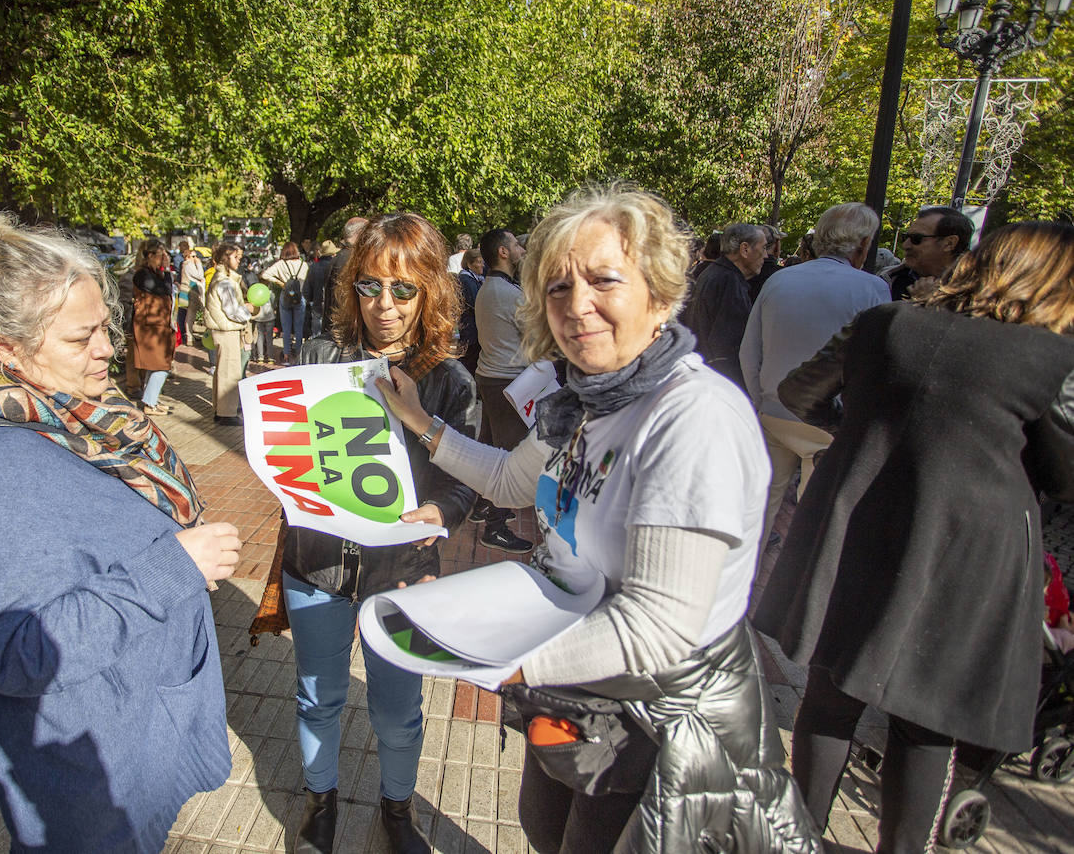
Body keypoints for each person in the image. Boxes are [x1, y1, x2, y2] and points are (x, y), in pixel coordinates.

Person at [374, 185, 819, 853]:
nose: (576, 305)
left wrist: (493, 659)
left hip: (659, 718)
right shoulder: (582, 399)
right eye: (557, 287)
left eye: (604, 280)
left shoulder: (692, 417)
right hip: (577, 682)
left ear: (661, 294)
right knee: (541, 827)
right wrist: (420, 421)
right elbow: (510, 480)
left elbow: (658, 624)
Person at [0, 209, 242, 851]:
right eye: (81, 337)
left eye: (104, 327)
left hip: (126, 735)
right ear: (5, 348)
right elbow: (16, 652)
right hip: (91, 786)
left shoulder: (59, 415)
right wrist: (174, 568)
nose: (107, 349)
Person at [754, 221, 1074, 854]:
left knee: (830, 694)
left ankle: (795, 838)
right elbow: (1065, 475)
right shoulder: (1050, 358)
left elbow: (798, 391)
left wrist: (865, 430)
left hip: (858, 521)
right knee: (926, 721)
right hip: (968, 551)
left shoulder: (884, 322)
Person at [283, 213, 480, 854]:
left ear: (430, 291)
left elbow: (466, 477)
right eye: (369, 286)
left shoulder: (448, 380)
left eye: (402, 289)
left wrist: (443, 512)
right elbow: (284, 450)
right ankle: (320, 803)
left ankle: (398, 808)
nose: (384, 305)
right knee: (319, 697)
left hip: (402, 575)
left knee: (397, 712)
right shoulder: (317, 358)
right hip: (317, 564)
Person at [738, 203, 889, 551]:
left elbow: (749, 351)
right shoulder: (872, 288)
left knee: (757, 509)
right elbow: (874, 362)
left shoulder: (779, 279)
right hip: (829, 422)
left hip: (774, 411)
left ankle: (743, 575)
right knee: (812, 521)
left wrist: (761, 400)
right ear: (863, 244)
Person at [470, 228, 534, 555]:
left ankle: (482, 505)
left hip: (492, 377)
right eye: (517, 244)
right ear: (504, 252)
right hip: (507, 381)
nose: (522, 249)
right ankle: (495, 527)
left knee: (489, 446)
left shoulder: (490, 287)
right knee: (509, 455)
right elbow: (535, 334)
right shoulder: (508, 293)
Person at [681, 221, 767, 390]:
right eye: (763, 248)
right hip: (718, 383)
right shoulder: (728, 281)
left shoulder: (716, 273)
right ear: (745, 249)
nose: (765, 255)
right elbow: (728, 347)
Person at [205, 243, 255, 425]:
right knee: (229, 371)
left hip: (224, 329)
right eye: (235, 257)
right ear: (225, 258)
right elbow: (233, 311)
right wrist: (248, 309)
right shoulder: (224, 282)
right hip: (227, 330)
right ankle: (226, 413)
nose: (238, 260)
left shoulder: (223, 279)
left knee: (224, 369)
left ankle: (222, 409)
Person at [884, 205, 973, 301]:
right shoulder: (891, 280)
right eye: (905, 237)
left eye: (916, 238)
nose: (905, 245)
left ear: (949, 243)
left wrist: (925, 302)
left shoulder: (978, 286)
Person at [133, 246, 177, 416]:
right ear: (150, 255)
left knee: (156, 365)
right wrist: (166, 271)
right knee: (161, 366)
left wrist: (165, 272)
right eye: (160, 255)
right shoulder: (143, 275)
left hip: (158, 326)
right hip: (150, 327)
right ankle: (149, 403)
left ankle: (151, 400)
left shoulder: (154, 273)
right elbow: (163, 289)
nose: (164, 258)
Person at [261, 241, 311, 363]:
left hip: (285, 296)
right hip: (299, 296)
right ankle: (298, 354)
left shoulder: (280, 264)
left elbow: (265, 275)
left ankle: (286, 355)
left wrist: (280, 282)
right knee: (299, 327)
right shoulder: (304, 264)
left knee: (286, 328)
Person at [304, 239, 338, 339]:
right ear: (333, 254)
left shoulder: (314, 266)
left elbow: (306, 289)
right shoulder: (336, 266)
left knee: (317, 335)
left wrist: (311, 300)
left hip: (317, 304)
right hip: (333, 306)